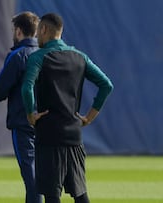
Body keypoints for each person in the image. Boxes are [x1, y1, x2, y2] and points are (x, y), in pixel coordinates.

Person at [21, 13, 114, 203]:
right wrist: (89, 117)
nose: (37, 36)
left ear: (44, 29)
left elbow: (27, 86)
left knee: (52, 195)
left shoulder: (38, 57)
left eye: (38, 31)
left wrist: (31, 113)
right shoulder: (79, 57)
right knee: (80, 194)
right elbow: (106, 85)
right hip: (73, 135)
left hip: (48, 134)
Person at [0, 11, 42, 203]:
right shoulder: (45, 54)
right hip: (47, 122)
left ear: (19, 31)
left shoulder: (18, 56)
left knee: (31, 175)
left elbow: (0, 91)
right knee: (44, 174)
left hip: (23, 122)